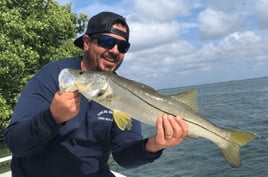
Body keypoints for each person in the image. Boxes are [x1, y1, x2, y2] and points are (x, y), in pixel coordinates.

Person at [4, 11, 188, 177]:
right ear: (86, 42)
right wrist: (52, 118)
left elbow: (124, 157)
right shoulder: (53, 75)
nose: (114, 50)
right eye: (107, 42)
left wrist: (154, 145)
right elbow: (15, 142)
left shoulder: (125, 92)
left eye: (122, 47)